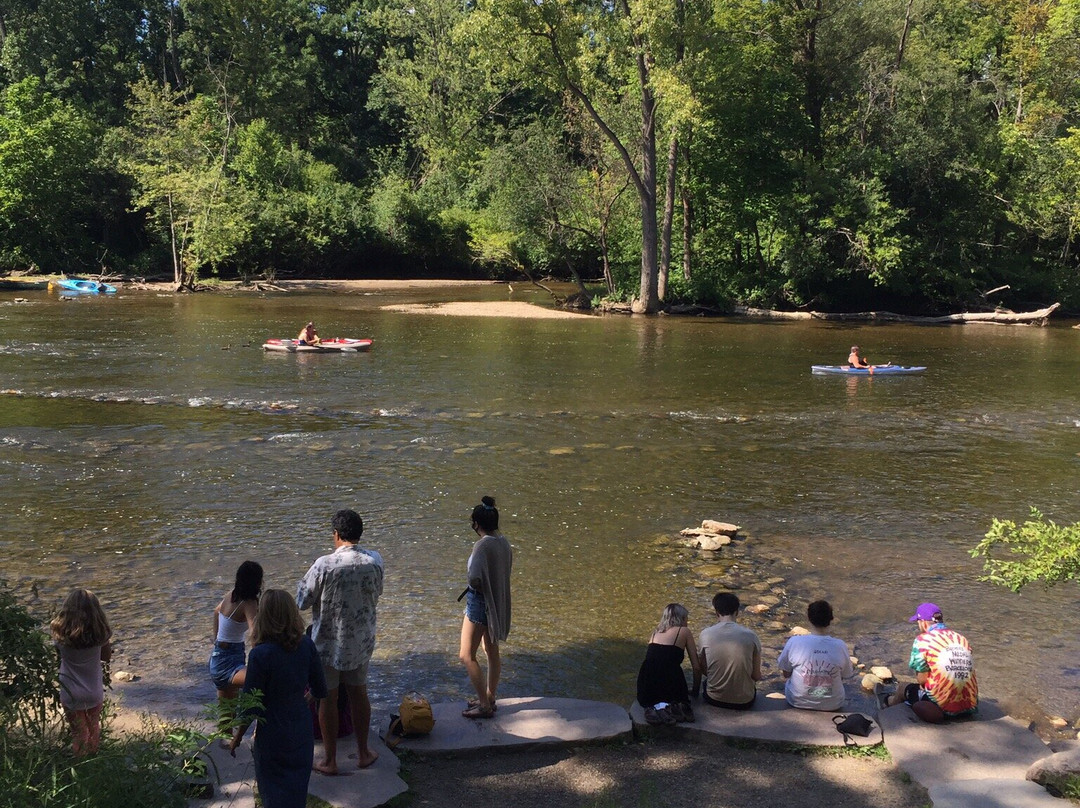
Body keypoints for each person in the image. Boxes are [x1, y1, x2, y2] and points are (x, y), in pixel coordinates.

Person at [296, 508, 383, 773]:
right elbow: (376, 592)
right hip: (360, 641)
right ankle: (364, 752)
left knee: (327, 699)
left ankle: (330, 760)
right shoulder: (375, 560)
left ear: (336, 534)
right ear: (359, 533)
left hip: (328, 644)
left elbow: (301, 601)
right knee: (359, 694)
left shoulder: (324, 564)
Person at [229, 590, 327, 808]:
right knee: (296, 795)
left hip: (272, 734)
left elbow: (250, 705)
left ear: (264, 616)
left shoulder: (260, 654)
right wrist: (303, 700)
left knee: (273, 796)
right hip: (301, 730)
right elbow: (321, 688)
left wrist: (237, 738)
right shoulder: (306, 645)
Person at [459, 495, 513, 719]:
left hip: (480, 601)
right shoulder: (503, 543)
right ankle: (490, 695)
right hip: (496, 600)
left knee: (466, 655)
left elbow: (474, 578)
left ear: (477, 524)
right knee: (491, 651)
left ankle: (484, 705)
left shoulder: (482, 546)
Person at [880, 602, 978, 723]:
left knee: (903, 688)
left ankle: (889, 704)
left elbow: (922, 680)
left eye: (918, 622)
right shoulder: (961, 638)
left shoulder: (922, 640)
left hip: (941, 706)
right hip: (970, 705)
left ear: (923, 622)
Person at [51, 588, 113, 756]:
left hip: (70, 690)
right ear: (96, 611)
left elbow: (59, 657)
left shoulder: (59, 634)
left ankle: (81, 766)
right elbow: (106, 657)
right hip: (93, 690)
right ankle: (93, 760)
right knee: (94, 727)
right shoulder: (101, 635)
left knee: (79, 733)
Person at [777, 600, 854, 711]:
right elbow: (846, 675)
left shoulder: (795, 642)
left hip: (797, 701)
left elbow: (786, 673)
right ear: (831, 619)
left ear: (809, 618)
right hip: (833, 704)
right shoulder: (840, 646)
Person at [636, 603, 703, 724]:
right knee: (671, 669)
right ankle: (674, 707)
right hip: (670, 682)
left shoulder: (655, 632)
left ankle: (658, 708)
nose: (687, 621)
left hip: (646, 685)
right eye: (687, 618)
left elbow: (653, 660)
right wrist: (695, 691)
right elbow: (696, 667)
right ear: (682, 618)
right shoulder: (684, 631)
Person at [209, 560, 263, 710]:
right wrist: (261, 658)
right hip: (228, 662)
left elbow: (216, 611)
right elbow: (254, 633)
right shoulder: (249, 602)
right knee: (261, 683)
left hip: (219, 657)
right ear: (257, 582)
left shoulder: (231, 594)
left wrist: (216, 639)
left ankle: (237, 732)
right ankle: (257, 728)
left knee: (227, 718)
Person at [698, 592, 761, 710]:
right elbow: (756, 676)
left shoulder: (705, 634)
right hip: (745, 702)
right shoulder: (751, 636)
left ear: (716, 612)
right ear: (737, 612)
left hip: (714, 699)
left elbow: (703, 668)